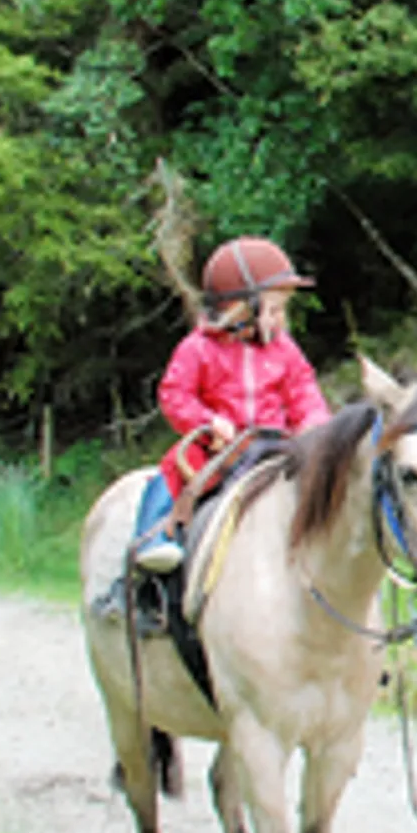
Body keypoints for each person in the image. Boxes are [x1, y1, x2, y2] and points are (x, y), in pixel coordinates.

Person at [128, 236, 332, 579]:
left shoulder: (284, 349)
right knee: (175, 468)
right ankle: (151, 539)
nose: (281, 320)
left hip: (275, 444)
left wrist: (315, 423)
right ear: (242, 310)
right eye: (274, 310)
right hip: (219, 446)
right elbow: (175, 394)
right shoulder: (198, 348)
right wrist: (208, 422)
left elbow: (303, 390)